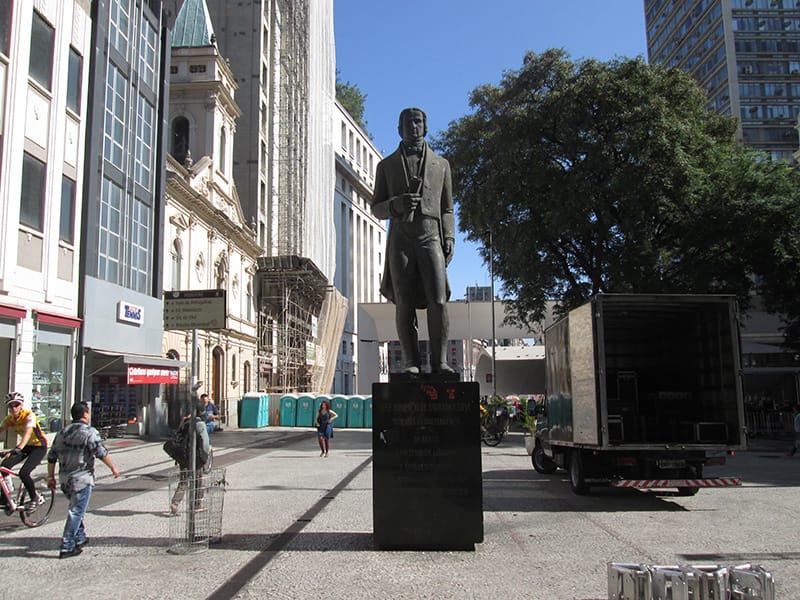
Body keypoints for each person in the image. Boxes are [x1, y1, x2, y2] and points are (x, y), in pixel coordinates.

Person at [371, 107, 456, 375]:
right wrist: (396, 204)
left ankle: (440, 362)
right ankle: (411, 362)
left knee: (438, 300)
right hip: (401, 237)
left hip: (431, 234)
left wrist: (449, 235)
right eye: (407, 123)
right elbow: (376, 208)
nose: (413, 126)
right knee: (404, 302)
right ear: (399, 129)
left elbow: (447, 208)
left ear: (426, 127)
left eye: (418, 121)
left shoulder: (441, 165)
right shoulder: (386, 166)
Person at [46, 401, 120, 559]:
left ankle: (80, 537)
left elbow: (51, 456)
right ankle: (67, 546)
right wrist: (113, 467)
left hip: (64, 479)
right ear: (85, 414)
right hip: (82, 478)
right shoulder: (89, 432)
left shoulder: (61, 433)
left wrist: (50, 477)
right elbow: (100, 452)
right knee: (76, 511)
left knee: (76, 508)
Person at [1, 392, 48, 510]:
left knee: (24, 472)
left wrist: (18, 448)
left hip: (39, 446)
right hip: (26, 446)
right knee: (4, 466)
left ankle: (34, 498)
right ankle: (7, 497)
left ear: (21, 405)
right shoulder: (9, 419)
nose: (13, 408)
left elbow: (27, 433)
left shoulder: (29, 415)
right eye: (11, 406)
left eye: (16, 405)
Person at [169, 400, 211, 515]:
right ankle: (196, 505)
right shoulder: (200, 424)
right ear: (200, 412)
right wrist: (205, 457)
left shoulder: (185, 422)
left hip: (183, 456)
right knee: (198, 480)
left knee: (184, 480)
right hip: (196, 457)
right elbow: (205, 443)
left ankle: (175, 503)